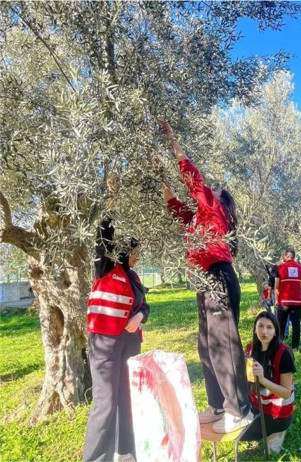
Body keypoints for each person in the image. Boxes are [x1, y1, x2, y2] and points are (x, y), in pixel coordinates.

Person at [156, 120, 252, 434]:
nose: (203, 196)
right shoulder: (197, 216)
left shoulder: (214, 209)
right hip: (204, 283)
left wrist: (174, 142)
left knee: (224, 344)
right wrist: (159, 175)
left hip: (219, 279)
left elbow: (192, 179)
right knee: (206, 346)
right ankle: (217, 405)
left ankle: (239, 410)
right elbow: (174, 207)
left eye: (209, 194)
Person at [84, 175, 149, 461]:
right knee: (106, 402)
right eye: (134, 253)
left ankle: (126, 452)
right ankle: (97, 457)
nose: (137, 258)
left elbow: (145, 306)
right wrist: (112, 195)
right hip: (105, 344)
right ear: (122, 253)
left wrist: (140, 317)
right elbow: (103, 233)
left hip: (130, 344)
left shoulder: (133, 277)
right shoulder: (105, 268)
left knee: (127, 398)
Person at [244, 311, 295, 453]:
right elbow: (247, 380)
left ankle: (277, 431)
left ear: (275, 331)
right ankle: (268, 431)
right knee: (235, 430)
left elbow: (286, 393)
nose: (264, 331)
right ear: (255, 328)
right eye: (260, 326)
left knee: (244, 434)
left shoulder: (284, 353)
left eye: (269, 327)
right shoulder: (250, 349)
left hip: (278, 413)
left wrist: (263, 379)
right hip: (256, 404)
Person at [274, 249, 301, 351]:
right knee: (296, 325)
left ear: (286, 256)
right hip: (297, 301)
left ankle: (279, 347)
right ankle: (295, 347)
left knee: (281, 324)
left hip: (283, 301)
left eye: (283, 255)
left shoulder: (279, 268)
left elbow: (276, 286)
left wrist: (276, 298)